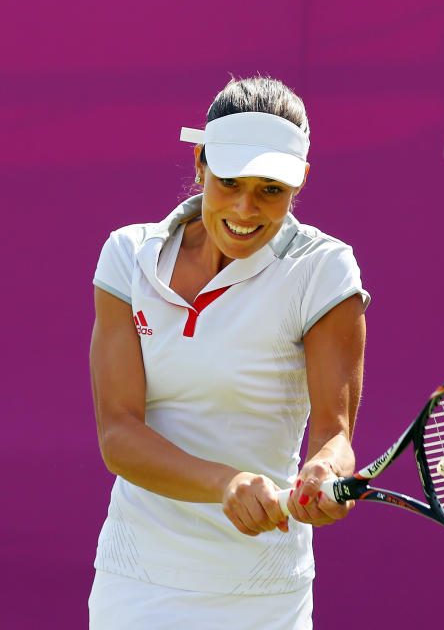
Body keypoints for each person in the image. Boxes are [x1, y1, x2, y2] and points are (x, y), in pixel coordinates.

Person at [88, 76, 369, 628]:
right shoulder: (128, 255)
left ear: (300, 183)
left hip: (261, 594)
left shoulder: (324, 269)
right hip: (137, 582)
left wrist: (323, 474)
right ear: (199, 163)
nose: (245, 209)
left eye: (271, 189)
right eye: (229, 182)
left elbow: (334, 436)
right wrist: (226, 483)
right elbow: (118, 435)